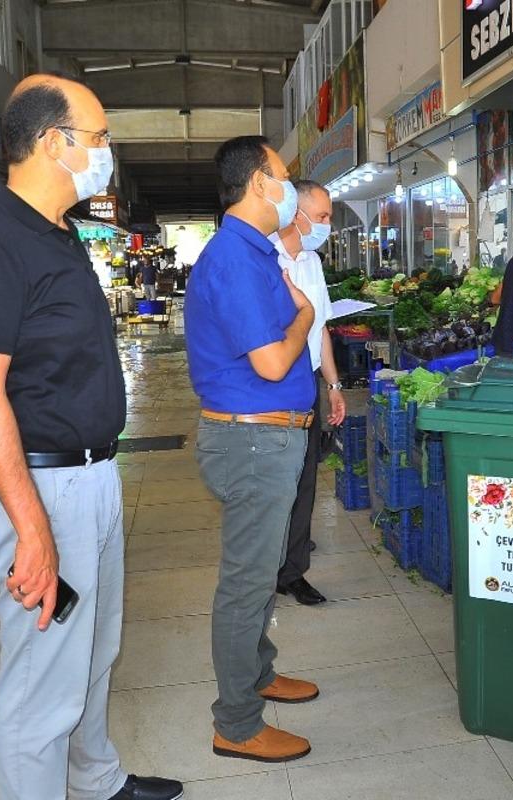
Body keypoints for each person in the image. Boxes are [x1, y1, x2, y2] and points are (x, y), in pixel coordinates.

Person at [0, 74, 183, 800]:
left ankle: (96, 780)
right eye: (99, 137)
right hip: (40, 488)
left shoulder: (58, 233)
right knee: (42, 678)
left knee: (93, 651)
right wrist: (31, 530)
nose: (107, 151)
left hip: (90, 477)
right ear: (52, 141)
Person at [185, 135, 319, 764]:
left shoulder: (256, 251)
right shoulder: (234, 258)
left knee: (261, 571)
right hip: (253, 437)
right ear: (260, 182)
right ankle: (236, 724)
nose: (289, 187)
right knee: (245, 583)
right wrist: (305, 320)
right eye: (284, 175)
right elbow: (271, 361)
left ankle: (258, 674)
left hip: (270, 434)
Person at [270, 179, 346, 606]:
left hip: (309, 381)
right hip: (275, 382)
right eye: (320, 217)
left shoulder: (312, 262)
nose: (326, 225)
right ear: (295, 214)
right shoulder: (266, 258)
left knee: (305, 479)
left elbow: (322, 330)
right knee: (272, 482)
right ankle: (267, 567)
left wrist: (333, 386)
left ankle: (293, 571)